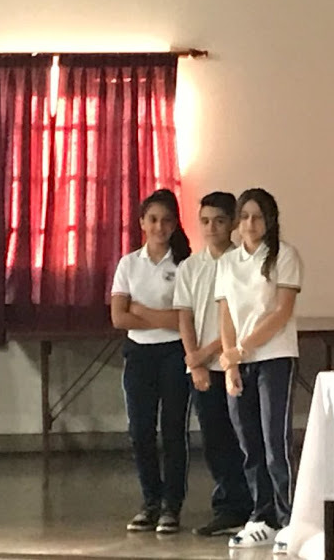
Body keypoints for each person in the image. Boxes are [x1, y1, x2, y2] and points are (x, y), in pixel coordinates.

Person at [215, 188, 303, 554]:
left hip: (275, 358)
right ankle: (262, 516)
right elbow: (226, 315)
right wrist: (231, 360)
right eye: (245, 216)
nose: (250, 223)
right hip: (240, 362)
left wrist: (244, 348)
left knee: (274, 443)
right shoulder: (228, 262)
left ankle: (289, 518)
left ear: (269, 220)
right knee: (249, 444)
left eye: (258, 216)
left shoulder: (285, 255)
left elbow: (281, 312)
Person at [172, 192, 254, 537]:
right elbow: (185, 317)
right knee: (215, 439)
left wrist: (204, 354)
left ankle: (256, 505)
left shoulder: (243, 263)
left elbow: (242, 320)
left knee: (245, 438)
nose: (212, 228)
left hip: (236, 362)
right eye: (205, 221)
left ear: (233, 223)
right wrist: (195, 363)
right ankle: (227, 507)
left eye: (219, 221)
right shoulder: (190, 267)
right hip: (204, 369)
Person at [110, 189, 192, 534]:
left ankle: (172, 505)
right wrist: (163, 317)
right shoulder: (129, 263)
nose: (159, 226)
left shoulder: (185, 265)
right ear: (142, 222)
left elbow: (185, 320)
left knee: (173, 430)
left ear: (175, 224)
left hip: (175, 353)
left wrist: (141, 310)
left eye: (166, 220)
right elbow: (119, 317)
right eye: (153, 219)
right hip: (139, 354)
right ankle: (150, 501)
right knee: (140, 430)